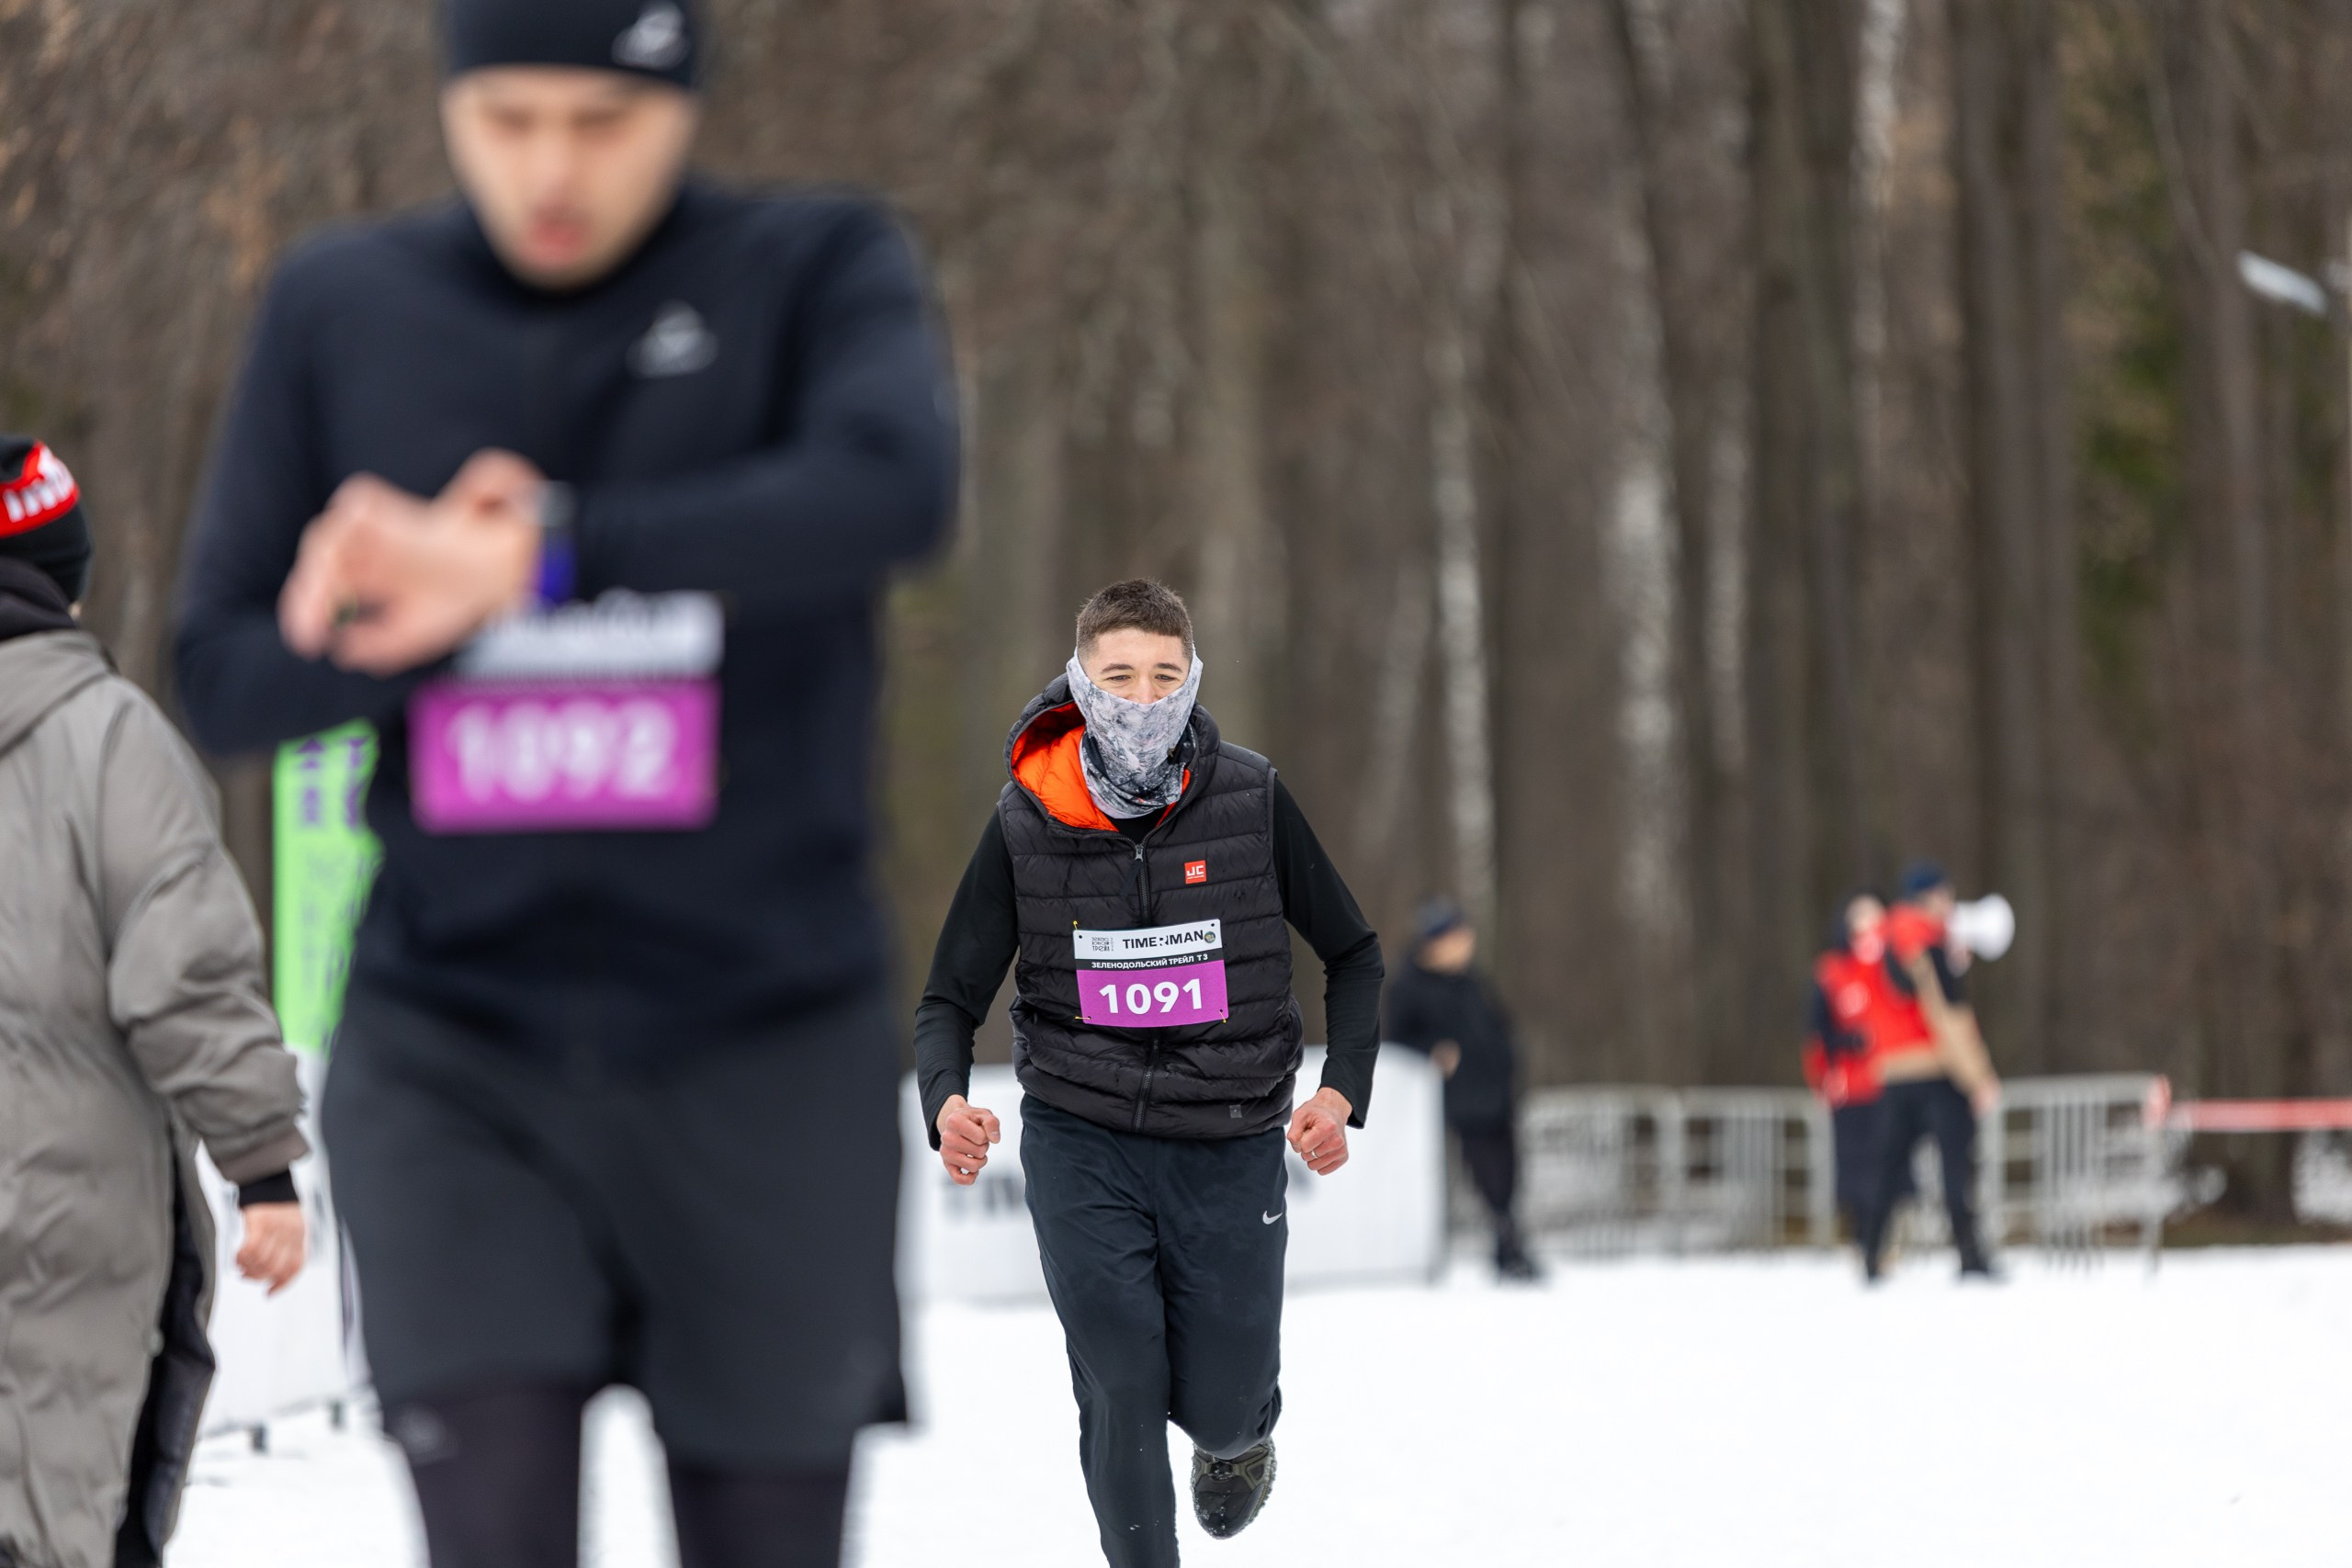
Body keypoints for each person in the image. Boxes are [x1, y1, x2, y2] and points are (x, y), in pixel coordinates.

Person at [171, 2, 958, 1562]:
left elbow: (894, 490)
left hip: (763, 1045)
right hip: (458, 1047)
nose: (551, 168)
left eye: (604, 122)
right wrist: (394, 616)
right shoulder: (346, 301)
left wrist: (545, 553)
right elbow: (224, 667)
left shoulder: (813, 269)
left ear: (684, 101)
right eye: (508, 116)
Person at [914, 580, 1384, 1568]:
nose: (1141, 698)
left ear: (1193, 680)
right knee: (1119, 1382)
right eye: (1118, 676)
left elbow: (1354, 953)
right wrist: (946, 1098)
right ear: (1080, 682)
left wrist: (1340, 1087)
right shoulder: (1026, 818)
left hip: (1228, 1135)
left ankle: (1237, 1439)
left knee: (1218, 1401)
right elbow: (948, 997)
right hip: (1083, 1141)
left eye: (1163, 677)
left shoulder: (1251, 798)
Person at [0, 434, 310, 1568]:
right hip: (58, 1218)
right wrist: (263, 1165)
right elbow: (186, 975)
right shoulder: (112, 742)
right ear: (68, 585)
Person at [1855, 862, 2002, 1281]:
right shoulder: (1927, 943)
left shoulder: (1878, 943)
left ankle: (1871, 1254)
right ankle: (1970, 1255)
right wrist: (1979, 1077)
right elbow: (1949, 1016)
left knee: (1887, 1169)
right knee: (1957, 1168)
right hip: (1937, 1072)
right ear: (1934, 896)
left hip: (1892, 1074)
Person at [1385, 899, 1542, 1280]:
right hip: (1460, 1101)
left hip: (1497, 1095)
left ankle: (1509, 1245)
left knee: (1509, 1175)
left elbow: (1497, 1026)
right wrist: (1433, 1050)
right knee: (1486, 1175)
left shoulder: (1471, 980)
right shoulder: (1409, 986)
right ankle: (1506, 1246)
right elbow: (1393, 1038)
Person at [1803, 892, 1909, 1235]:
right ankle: (1863, 1240)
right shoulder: (1832, 973)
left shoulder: (1894, 966)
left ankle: (1884, 1239)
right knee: (1855, 1171)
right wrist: (1821, 1077)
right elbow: (1817, 1033)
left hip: (1891, 1083)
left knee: (1892, 1166)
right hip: (1850, 1089)